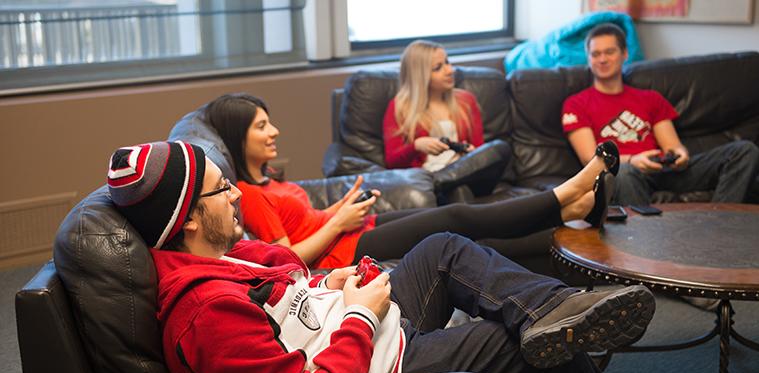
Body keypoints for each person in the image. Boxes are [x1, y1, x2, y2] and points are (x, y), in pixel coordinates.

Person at [107, 140, 656, 373]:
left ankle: (560, 306)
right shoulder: (205, 315)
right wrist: (359, 316)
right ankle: (555, 321)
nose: (234, 196)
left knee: (442, 247)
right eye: (219, 189)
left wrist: (330, 282)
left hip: (364, 331)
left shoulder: (228, 257)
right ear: (190, 221)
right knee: (526, 345)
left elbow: (287, 297)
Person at [206, 92, 619, 269]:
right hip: (343, 253)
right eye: (262, 127)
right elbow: (289, 260)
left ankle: (575, 211)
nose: (274, 131)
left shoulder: (270, 182)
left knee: (470, 233)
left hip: (349, 232)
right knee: (457, 216)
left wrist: (340, 207)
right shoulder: (251, 196)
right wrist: (337, 223)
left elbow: (304, 221)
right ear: (239, 137)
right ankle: (567, 192)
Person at [562, 23, 759, 207]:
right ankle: (638, 240)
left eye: (609, 52)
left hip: (663, 170)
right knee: (623, 172)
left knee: (745, 151)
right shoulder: (576, 104)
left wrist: (680, 155)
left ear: (624, 54)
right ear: (588, 58)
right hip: (625, 172)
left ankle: (722, 223)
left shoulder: (651, 98)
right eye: (595, 54)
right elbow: (590, 159)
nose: (602, 59)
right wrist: (633, 160)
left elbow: (672, 145)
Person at [383, 39, 483, 172]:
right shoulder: (399, 107)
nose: (450, 70)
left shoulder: (466, 101)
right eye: (438, 68)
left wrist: (472, 153)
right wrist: (416, 146)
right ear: (420, 75)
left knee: (499, 148)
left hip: (463, 171)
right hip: (426, 179)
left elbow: (481, 151)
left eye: (447, 62)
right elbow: (391, 162)